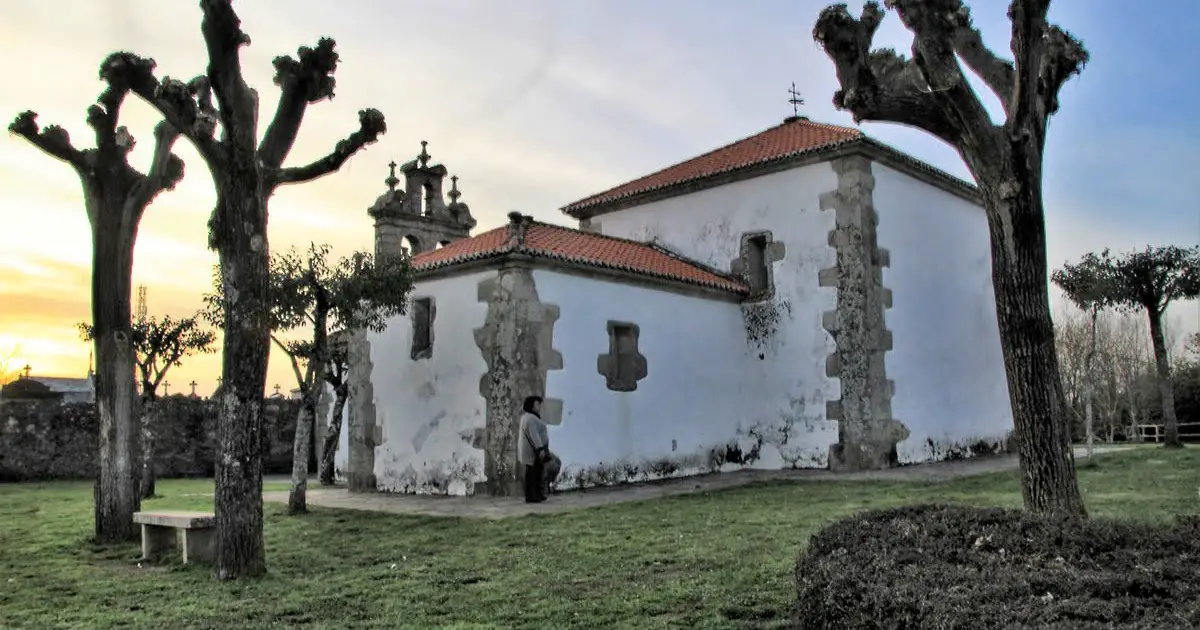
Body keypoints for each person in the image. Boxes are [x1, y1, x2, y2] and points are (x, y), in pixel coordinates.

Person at [517, 395, 550, 503]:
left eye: (539, 404)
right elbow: (534, 434)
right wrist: (540, 449)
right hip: (533, 451)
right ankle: (531, 495)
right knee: (532, 473)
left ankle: (536, 494)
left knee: (535, 472)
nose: (539, 406)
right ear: (531, 405)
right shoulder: (531, 418)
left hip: (532, 450)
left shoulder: (529, 417)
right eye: (537, 404)